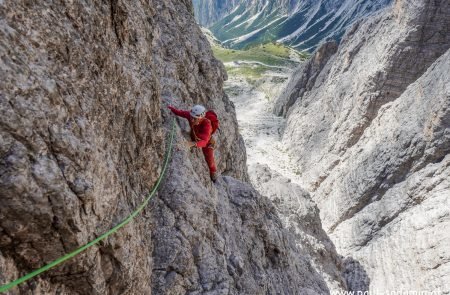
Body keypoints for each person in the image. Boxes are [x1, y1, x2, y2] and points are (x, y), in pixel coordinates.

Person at [168, 104, 219, 182]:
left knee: (210, 159)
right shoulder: (191, 115)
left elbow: (204, 142)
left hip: (207, 142)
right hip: (195, 135)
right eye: (191, 117)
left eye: (194, 119)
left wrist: (192, 144)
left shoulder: (207, 125)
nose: (192, 120)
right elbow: (180, 112)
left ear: (201, 118)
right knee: (194, 132)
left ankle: (213, 172)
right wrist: (170, 108)